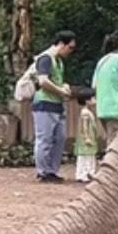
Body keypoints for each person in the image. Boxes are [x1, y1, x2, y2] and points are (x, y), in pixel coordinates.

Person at [31, 30, 77, 182]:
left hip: (57, 104)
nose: (71, 51)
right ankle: (43, 172)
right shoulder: (46, 58)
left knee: (59, 138)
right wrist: (60, 91)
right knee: (44, 139)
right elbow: (43, 81)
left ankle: (52, 170)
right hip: (44, 104)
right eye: (70, 47)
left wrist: (64, 87)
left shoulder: (59, 62)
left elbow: (56, 80)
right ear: (61, 44)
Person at [74, 93, 106, 185]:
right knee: (86, 157)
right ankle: (86, 174)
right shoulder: (85, 113)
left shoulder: (88, 112)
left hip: (90, 137)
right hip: (87, 138)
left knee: (88, 156)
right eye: (93, 99)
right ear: (87, 101)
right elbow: (84, 127)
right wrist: (86, 138)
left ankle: (84, 173)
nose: (95, 100)